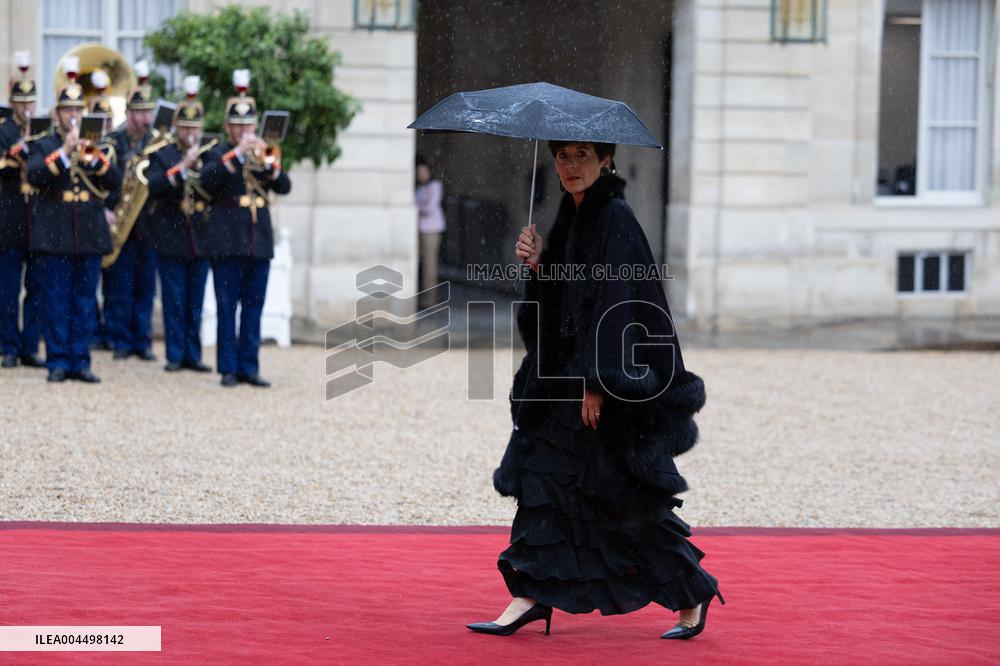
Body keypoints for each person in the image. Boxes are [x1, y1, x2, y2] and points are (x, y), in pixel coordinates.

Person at [466, 141, 723, 639]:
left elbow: (617, 304)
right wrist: (541, 263)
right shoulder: (574, 213)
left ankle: (690, 592)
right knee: (545, 481)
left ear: (606, 159)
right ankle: (530, 595)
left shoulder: (614, 217)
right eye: (562, 156)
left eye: (582, 155)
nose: (570, 166)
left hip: (601, 385)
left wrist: (599, 383)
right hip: (564, 378)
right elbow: (569, 299)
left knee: (623, 497)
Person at [26, 61, 121, 382]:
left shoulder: (97, 145)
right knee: (56, 300)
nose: (73, 116)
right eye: (67, 110)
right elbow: (36, 176)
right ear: (58, 113)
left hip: (90, 230)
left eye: (77, 110)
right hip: (55, 231)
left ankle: (80, 360)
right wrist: (65, 153)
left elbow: (115, 181)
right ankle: (57, 361)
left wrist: (95, 159)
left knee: (84, 301)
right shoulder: (44, 144)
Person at [198, 69, 291, 387]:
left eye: (247, 125)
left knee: (254, 308)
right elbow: (207, 183)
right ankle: (227, 368)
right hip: (227, 239)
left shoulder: (263, 154)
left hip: (258, 240)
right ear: (227, 128)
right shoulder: (216, 153)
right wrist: (236, 155)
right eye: (237, 126)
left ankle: (249, 366)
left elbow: (285, 186)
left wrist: (271, 167)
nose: (243, 131)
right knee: (227, 307)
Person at [144, 76, 212, 374]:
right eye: (185, 128)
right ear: (177, 128)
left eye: (194, 128)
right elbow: (155, 186)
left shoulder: (209, 153)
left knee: (195, 302)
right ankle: (174, 354)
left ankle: (193, 354)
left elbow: (216, 187)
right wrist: (182, 168)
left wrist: (199, 167)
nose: (190, 133)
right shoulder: (163, 153)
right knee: (174, 299)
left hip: (200, 236)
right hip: (171, 235)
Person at [101, 61, 158, 362]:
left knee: (145, 287)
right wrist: (105, 210)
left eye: (149, 112)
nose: (146, 118)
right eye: (141, 112)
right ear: (130, 112)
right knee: (119, 286)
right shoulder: (113, 142)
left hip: (147, 225)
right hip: (119, 220)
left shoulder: (155, 143)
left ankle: (142, 341)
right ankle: (119, 339)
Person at [0, 52, 44, 369]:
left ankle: (30, 345)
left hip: (37, 211)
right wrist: (23, 145)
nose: (27, 108)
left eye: (30, 103)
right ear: (12, 102)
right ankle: (8, 345)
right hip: (10, 209)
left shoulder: (43, 129)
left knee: (38, 285)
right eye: (21, 103)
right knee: (8, 285)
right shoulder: (3, 130)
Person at [86, 68, 114, 352]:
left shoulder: (110, 147)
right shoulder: (85, 145)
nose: (103, 124)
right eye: (98, 119)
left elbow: (114, 182)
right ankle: (93, 331)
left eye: (107, 120)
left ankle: (108, 331)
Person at [414, 154, 445, 308]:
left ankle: (430, 298)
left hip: (431, 230)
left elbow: (429, 207)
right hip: (421, 229)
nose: (421, 176)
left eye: (423, 172)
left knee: (429, 265)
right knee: (422, 264)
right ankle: (423, 295)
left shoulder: (435, 186)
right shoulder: (421, 188)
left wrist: (416, 208)